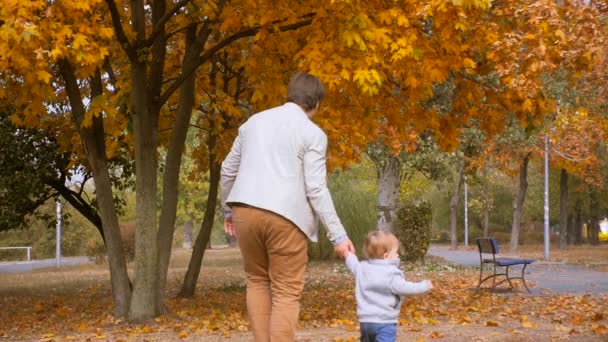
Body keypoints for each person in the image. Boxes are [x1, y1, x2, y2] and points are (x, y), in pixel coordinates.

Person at [220, 72, 356, 341]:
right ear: (316, 103)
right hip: (287, 218)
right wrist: (339, 236)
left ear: (290, 95)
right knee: (285, 291)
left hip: (244, 210)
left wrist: (227, 211)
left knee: (257, 281)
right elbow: (316, 188)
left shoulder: (252, 123)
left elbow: (227, 169)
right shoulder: (313, 134)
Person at [346, 230, 433, 342]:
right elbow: (406, 288)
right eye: (395, 252)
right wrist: (424, 285)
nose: (398, 255)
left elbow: (353, 263)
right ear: (386, 256)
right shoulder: (391, 273)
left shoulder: (362, 268)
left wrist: (347, 254)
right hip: (384, 322)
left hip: (365, 321)